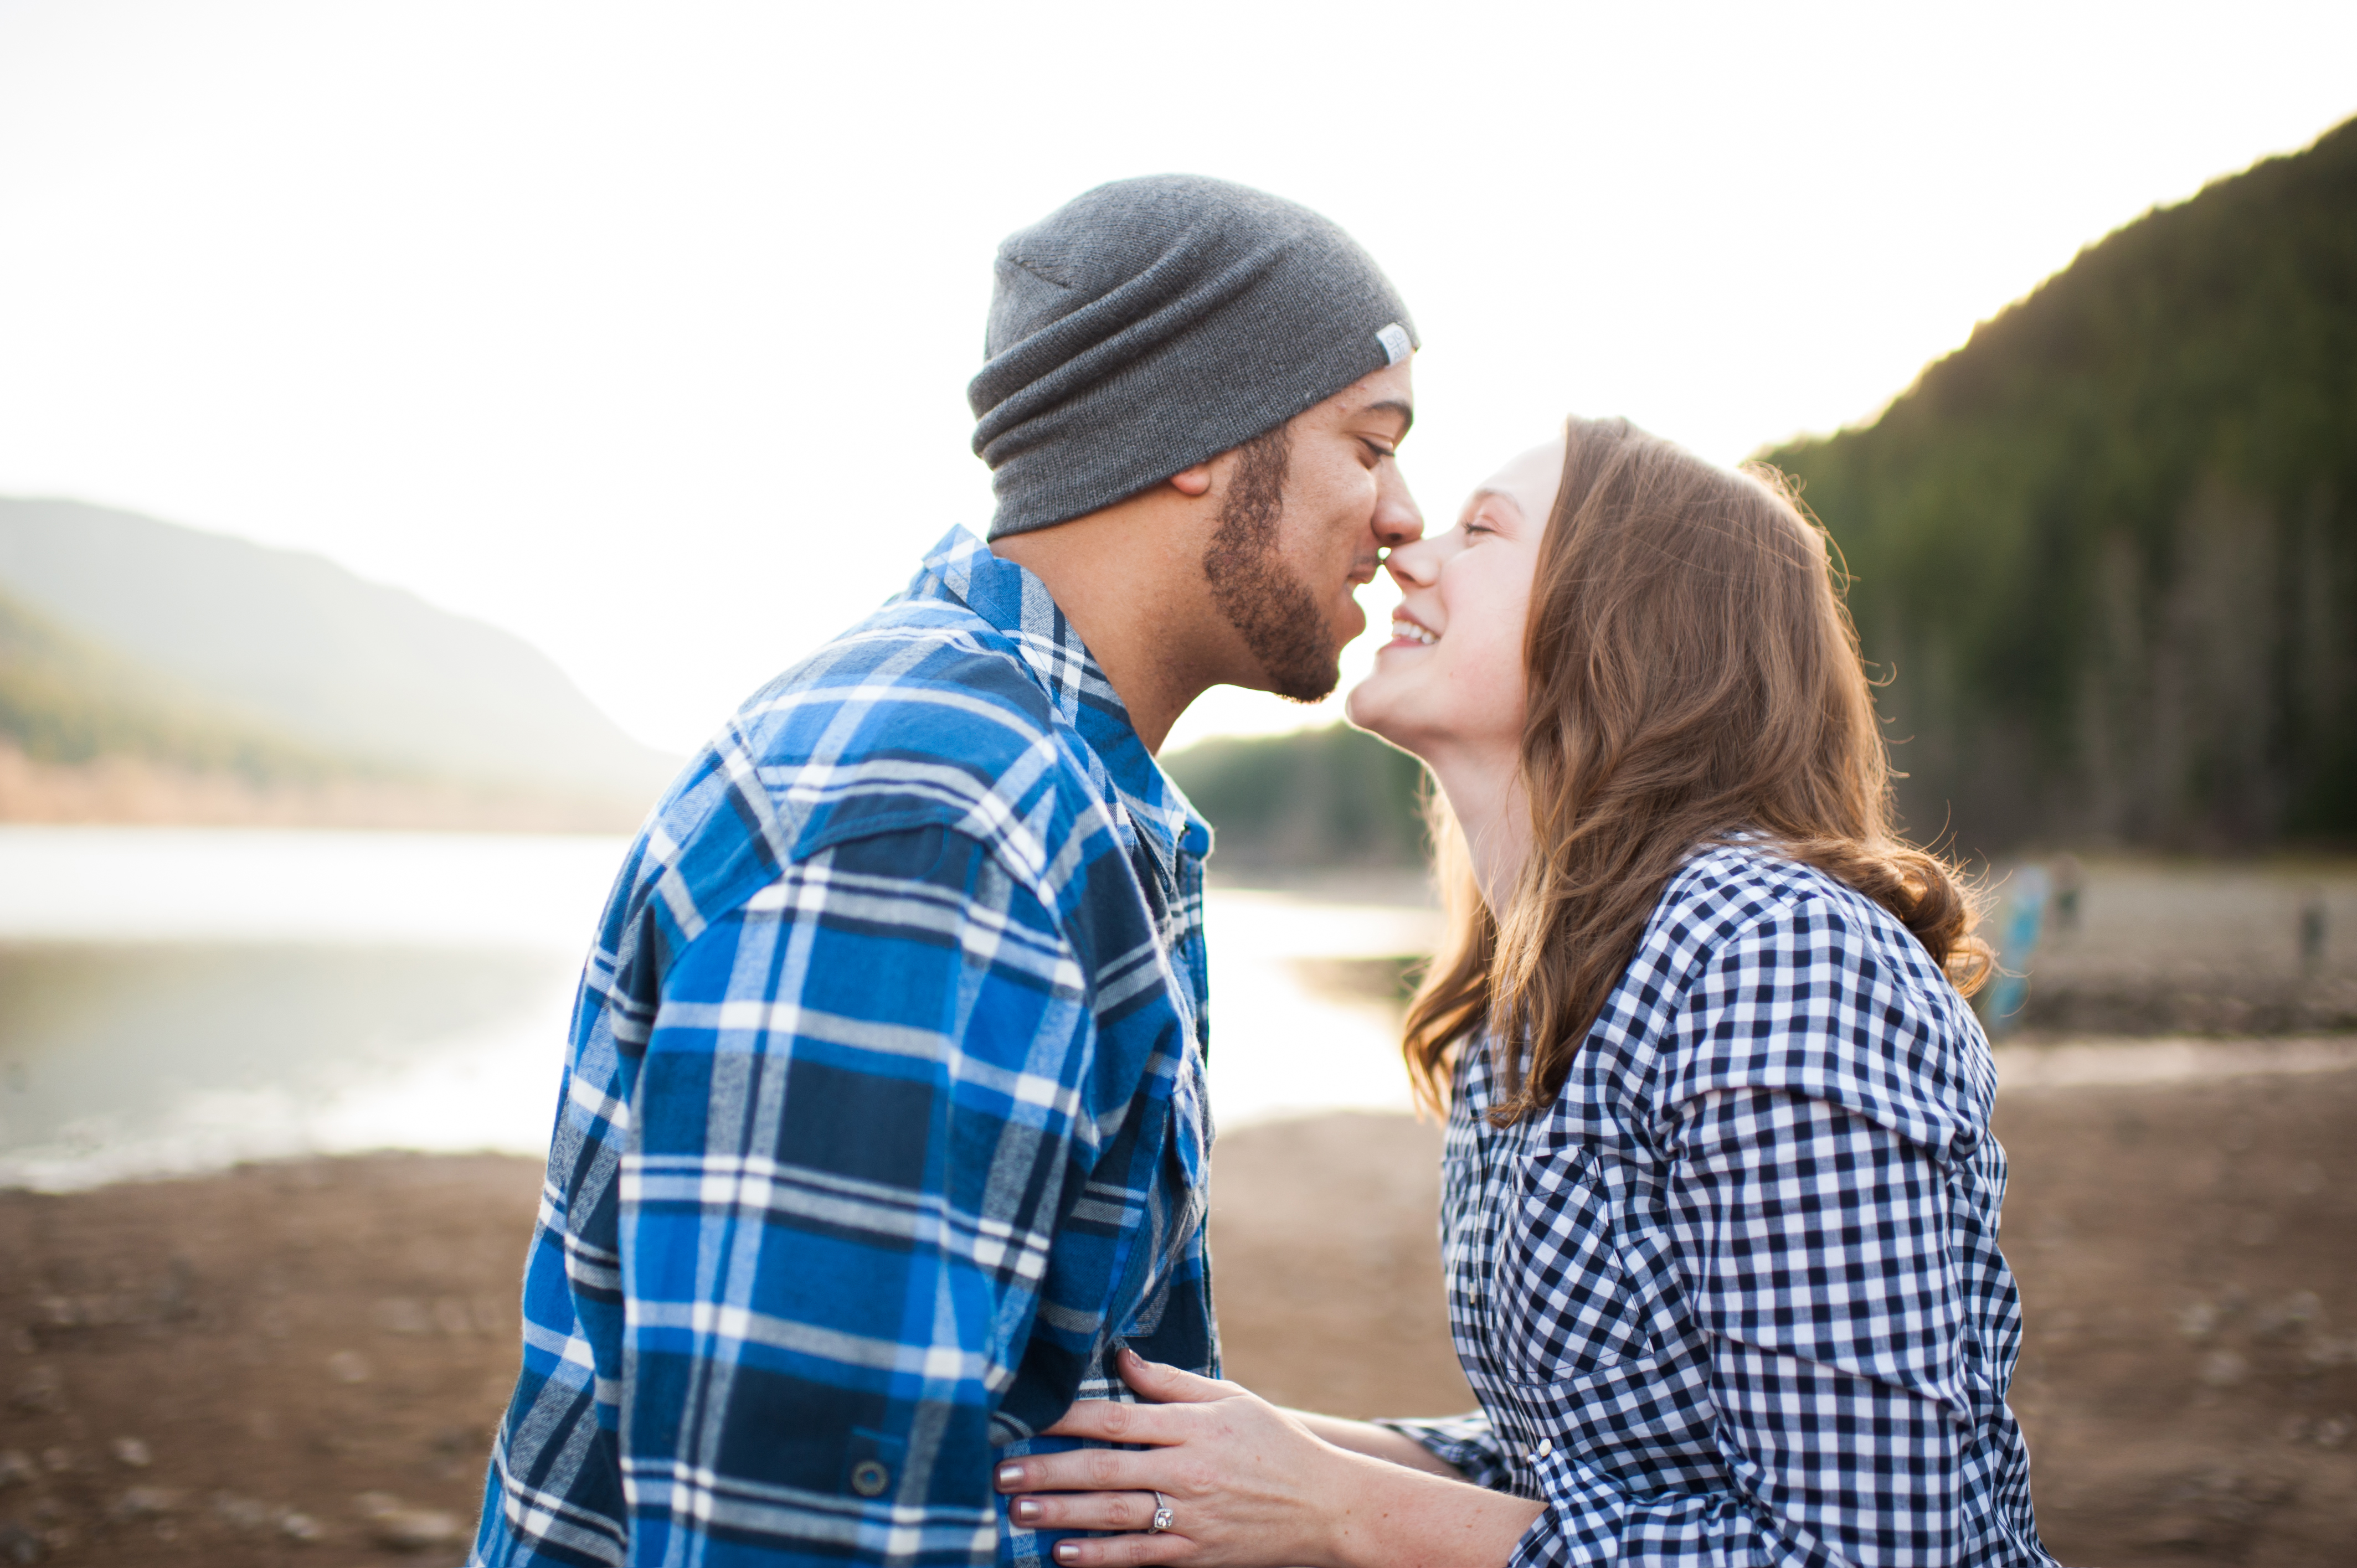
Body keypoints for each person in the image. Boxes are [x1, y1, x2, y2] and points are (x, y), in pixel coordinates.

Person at [469, 176, 1424, 1568]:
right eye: (1370, 442)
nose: (1404, 514)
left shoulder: (1042, 778)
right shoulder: (939, 818)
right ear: (1197, 434)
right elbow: (798, 1528)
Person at [994, 418, 2058, 1566]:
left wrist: (1337, 1510)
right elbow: (1590, 1460)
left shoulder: (1771, 953)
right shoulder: (1551, 983)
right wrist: (1234, 1450)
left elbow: (1869, 1552)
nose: (1408, 550)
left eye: (1481, 530)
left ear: (1630, 620)